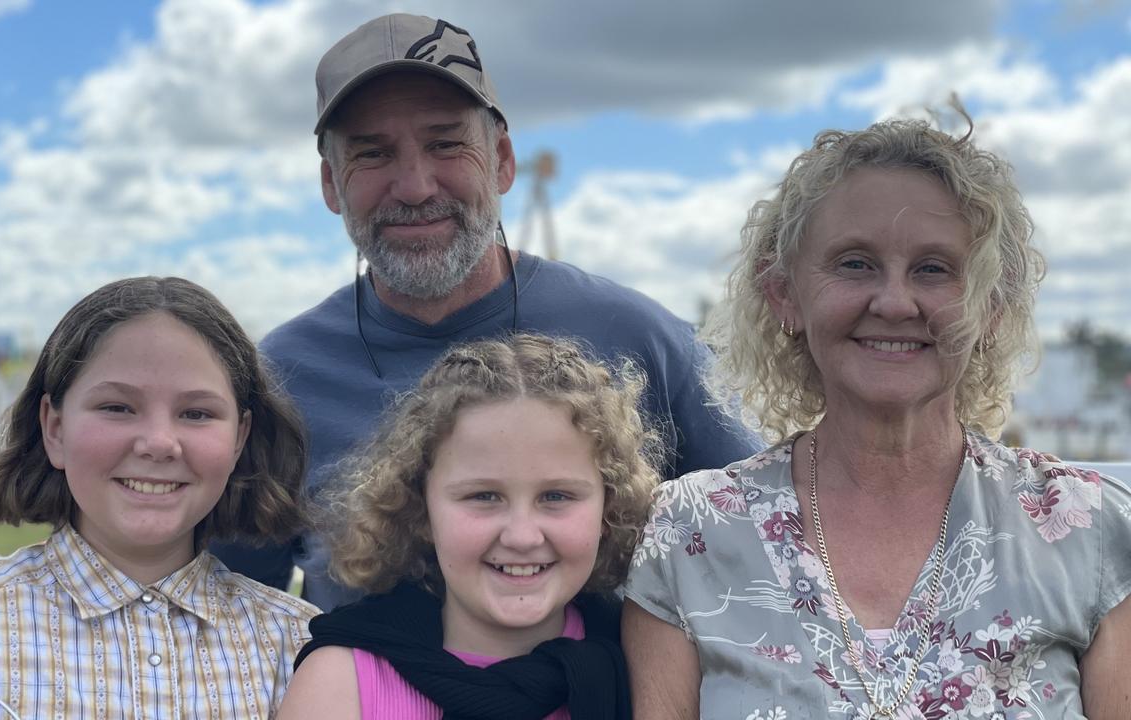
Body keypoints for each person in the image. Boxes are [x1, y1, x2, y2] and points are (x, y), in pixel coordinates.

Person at [211, 11, 757, 611]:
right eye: (373, 154)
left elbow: (766, 544)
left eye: (445, 143)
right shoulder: (278, 380)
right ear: (331, 185)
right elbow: (230, 613)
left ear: (500, 159)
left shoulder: (639, 339)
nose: (415, 186)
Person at [621, 112, 1131, 718]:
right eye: (855, 263)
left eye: (934, 269)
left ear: (990, 306)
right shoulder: (690, 533)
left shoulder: (1090, 531)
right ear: (784, 293)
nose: (894, 302)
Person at [0, 277, 318, 718]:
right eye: (117, 407)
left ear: (240, 438)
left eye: (196, 413)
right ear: (54, 427)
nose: (158, 442)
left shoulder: (300, 647)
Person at [278, 334, 659, 720]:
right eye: (484, 496)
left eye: (557, 496)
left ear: (608, 510)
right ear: (419, 508)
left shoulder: (650, 668)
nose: (522, 537)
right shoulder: (341, 683)